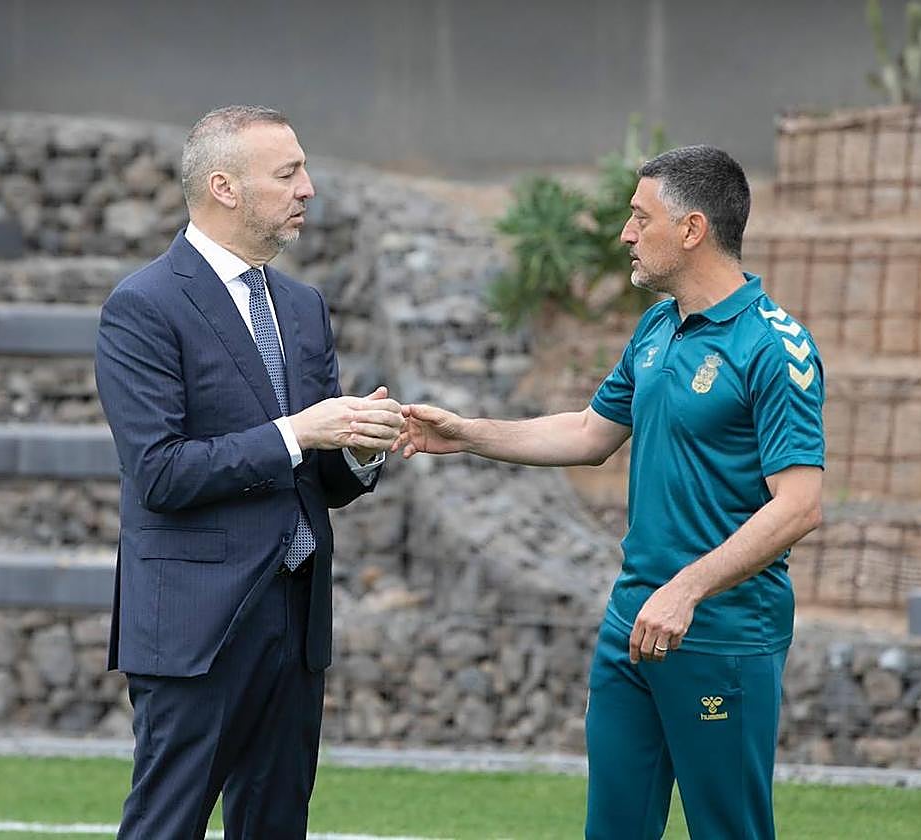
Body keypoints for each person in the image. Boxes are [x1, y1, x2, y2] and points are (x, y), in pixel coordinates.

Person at [397, 145, 824, 839]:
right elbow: (591, 434)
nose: (625, 233)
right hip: (631, 626)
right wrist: (468, 433)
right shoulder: (657, 327)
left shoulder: (775, 346)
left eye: (639, 216)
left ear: (691, 230)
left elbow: (800, 504)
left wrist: (686, 589)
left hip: (721, 632)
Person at [94, 105, 404, 840]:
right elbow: (160, 472)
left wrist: (360, 448)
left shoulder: (302, 305)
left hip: (295, 620)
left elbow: (315, 477)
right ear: (225, 187)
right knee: (166, 826)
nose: (309, 188)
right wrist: (298, 431)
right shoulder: (142, 306)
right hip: (196, 626)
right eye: (289, 173)